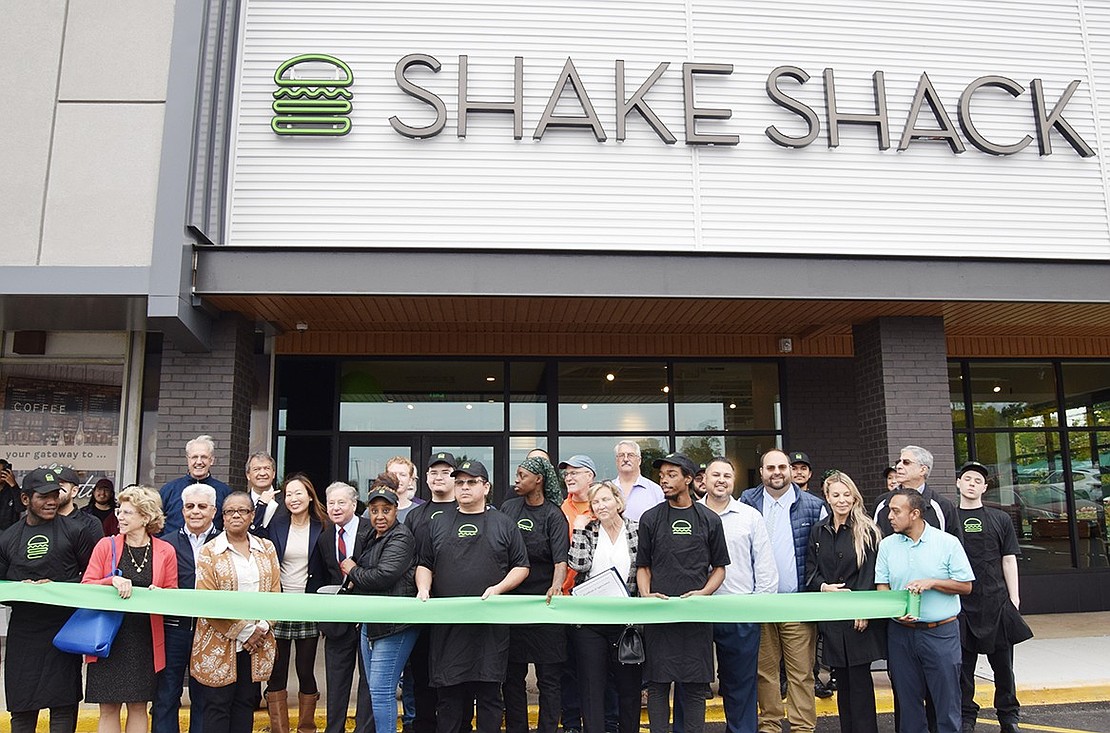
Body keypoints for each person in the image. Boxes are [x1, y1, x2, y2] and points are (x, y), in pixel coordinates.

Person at [414, 459, 530, 733]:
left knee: (490, 696)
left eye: (472, 482)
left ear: (486, 486)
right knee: (450, 697)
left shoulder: (504, 523)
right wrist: (423, 588)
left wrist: (499, 588)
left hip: (489, 627)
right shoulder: (438, 524)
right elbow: (424, 564)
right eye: (460, 482)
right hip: (449, 628)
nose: (464, 487)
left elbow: (521, 566)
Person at [636, 452, 729, 733]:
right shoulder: (650, 518)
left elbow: (720, 568)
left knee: (694, 687)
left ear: (689, 479)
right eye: (662, 475)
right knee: (657, 685)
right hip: (659, 617)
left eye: (672, 475)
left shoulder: (710, 520)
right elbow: (643, 566)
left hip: (696, 617)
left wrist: (703, 593)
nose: (664, 480)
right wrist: (646, 595)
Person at [0, 467, 97, 733]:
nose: (52, 501)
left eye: (55, 494)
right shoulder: (7, 538)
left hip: (64, 631)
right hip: (23, 632)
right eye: (43, 496)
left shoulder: (76, 531)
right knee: (21, 708)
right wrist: (21, 589)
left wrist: (60, 588)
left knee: (63, 706)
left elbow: (94, 577)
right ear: (25, 499)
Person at [740, 449, 827, 733]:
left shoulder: (814, 506)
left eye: (781, 467)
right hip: (760, 602)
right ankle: (770, 725)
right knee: (765, 672)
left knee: (801, 672)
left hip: (796, 603)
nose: (776, 472)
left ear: (790, 470)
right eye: (770, 468)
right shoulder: (746, 503)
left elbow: (822, 555)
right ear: (761, 471)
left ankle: (803, 727)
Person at [688, 457, 778, 733]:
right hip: (696, 609)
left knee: (740, 684)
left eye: (727, 475)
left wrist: (758, 607)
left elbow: (764, 564)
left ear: (733, 481)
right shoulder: (689, 514)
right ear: (703, 480)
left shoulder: (749, 516)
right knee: (690, 683)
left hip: (739, 609)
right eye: (716, 475)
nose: (722, 480)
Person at [876, 489, 975, 733]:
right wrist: (894, 611)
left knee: (947, 702)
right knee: (907, 703)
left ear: (915, 514)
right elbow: (882, 586)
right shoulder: (887, 545)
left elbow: (965, 586)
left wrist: (931, 582)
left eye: (896, 511)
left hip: (940, 633)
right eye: (890, 510)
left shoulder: (947, 543)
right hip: (900, 633)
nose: (890, 516)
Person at [82, 485, 178, 733]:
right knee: (108, 707)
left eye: (127, 513)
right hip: (108, 638)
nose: (119, 517)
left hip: (144, 637)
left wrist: (162, 595)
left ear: (145, 517)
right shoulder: (106, 545)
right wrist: (110, 580)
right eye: (119, 511)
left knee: (138, 705)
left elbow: (173, 592)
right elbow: (87, 586)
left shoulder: (165, 550)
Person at [190, 491, 282, 733]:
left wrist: (262, 627)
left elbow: (275, 591)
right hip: (220, 642)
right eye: (230, 511)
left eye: (242, 510)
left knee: (245, 703)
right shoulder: (210, 551)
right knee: (217, 705)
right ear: (222, 517)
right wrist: (245, 631)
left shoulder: (267, 548)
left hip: (256, 643)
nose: (236, 516)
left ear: (252, 515)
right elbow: (207, 601)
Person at [954, 462, 1032, 733]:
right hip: (961, 606)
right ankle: (966, 716)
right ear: (958, 484)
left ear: (985, 488)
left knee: (1003, 668)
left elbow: (1009, 560)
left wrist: (1015, 599)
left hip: (997, 604)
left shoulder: (1000, 519)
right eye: (967, 478)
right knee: (963, 669)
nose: (972, 483)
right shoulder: (949, 520)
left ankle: (1008, 717)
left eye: (978, 480)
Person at [806, 472, 885, 733]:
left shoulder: (869, 531)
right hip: (833, 618)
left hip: (859, 620)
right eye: (836, 495)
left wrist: (862, 609)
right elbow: (810, 570)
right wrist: (822, 586)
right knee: (842, 681)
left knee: (860, 682)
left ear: (854, 496)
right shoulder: (818, 531)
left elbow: (872, 574)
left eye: (846, 494)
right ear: (827, 498)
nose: (842, 500)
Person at [499, 456, 569, 733]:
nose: (516, 480)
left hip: (544, 604)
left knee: (549, 678)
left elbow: (560, 560)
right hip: (513, 603)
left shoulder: (554, 514)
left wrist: (556, 586)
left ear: (538, 480)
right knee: (512, 676)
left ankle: (548, 729)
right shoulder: (509, 508)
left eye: (522, 475)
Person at [567, 481, 642, 733]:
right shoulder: (589, 530)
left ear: (618, 502)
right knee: (592, 688)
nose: (600, 506)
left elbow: (644, 569)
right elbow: (577, 565)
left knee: (629, 689)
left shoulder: (636, 530)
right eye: (595, 502)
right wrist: (578, 530)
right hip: (590, 621)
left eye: (605, 500)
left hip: (626, 621)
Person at [344, 485, 419, 733]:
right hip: (371, 622)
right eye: (374, 510)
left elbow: (383, 576)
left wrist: (352, 570)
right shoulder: (371, 537)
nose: (379, 516)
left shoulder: (401, 537)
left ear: (396, 510)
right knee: (375, 690)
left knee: (381, 689)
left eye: (386, 510)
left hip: (394, 624)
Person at [260, 474, 326, 733]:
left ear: (310, 496)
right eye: (288, 494)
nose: (293, 499)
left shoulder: (323, 525)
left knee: (305, 670)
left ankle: (306, 728)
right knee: (277, 670)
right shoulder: (276, 524)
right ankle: (279, 729)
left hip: (308, 604)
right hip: (280, 604)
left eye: (299, 493)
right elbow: (254, 537)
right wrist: (263, 507)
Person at [153, 483, 219, 733]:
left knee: (203, 695)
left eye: (202, 506)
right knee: (167, 692)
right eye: (190, 506)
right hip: (174, 628)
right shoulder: (166, 544)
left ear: (213, 510)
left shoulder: (224, 543)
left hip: (211, 629)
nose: (195, 512)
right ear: (182, 511)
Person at [307, 481, 373, 733]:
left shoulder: (370, 530)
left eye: (341, 502)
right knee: (336, 683)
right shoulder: (325, 537)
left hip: (367, 618)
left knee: (368, 681)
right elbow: (322, 579)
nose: (335, 508)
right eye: (331, 503)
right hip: (337, 624)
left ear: (354, 505)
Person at [404, 452, 458, 733]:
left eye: (446, 472)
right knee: (421, 674)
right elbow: (407, 558)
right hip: (423, 606)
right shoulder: (415, 516)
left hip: (457, 608)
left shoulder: (466, 509)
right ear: (425, 478)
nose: (439, 477)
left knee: (455, 676)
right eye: (433, 472)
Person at [556, 453, 599, 733]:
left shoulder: (602, 506)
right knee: (568, 668)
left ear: (590, 477)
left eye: (576, 472)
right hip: (566, 598)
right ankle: (572, 723)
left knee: (598, 669)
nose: (569, 477)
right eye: (567, 473)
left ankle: (605, 721)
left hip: (597, 600)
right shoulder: (561, 509)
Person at [873, 446, 959, 537]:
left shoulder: (943, 506)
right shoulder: (882, 503)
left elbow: (954, 546)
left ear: (922, 470)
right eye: (898, 462)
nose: (898, 466)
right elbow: (872, 544)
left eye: (906, 462)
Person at [160, 435, 232, 536]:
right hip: (173, 549)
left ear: (211, 460)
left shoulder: (225, 492)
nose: (199, 462)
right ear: (187, 459)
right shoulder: (169, 490)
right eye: (194, 457)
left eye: (204, 457)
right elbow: (156, 523)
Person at [51, 464, 106, 557]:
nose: (54, 490)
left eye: (60, 486)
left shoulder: (90, 523)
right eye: (51, 486)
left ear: (74, 491)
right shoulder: (41, 520)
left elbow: (98, 560)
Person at [612, 440, 664, 522]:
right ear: (616, 461)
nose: (625, 459)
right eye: (621, 455)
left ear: (639, 461)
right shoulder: (608, 489)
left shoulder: (656, 491)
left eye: (630, 455)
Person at [246, 452, 282, 533]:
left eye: (267, 468)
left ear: (273, 474)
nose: (262, 473)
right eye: (256, 469)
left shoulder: (286, 501)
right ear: (248, 475)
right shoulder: (240, 502)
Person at [384, 455, 424, 523]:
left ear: (410, 480)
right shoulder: (374, 511)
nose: (398, 479)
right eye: (393, 474)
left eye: (402, 475)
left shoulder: (420, 512)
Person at [0, 458, 21, 531]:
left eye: (2, 472)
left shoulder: (13, 490)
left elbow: (21, 508)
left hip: (10, 532)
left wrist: (13, 485)